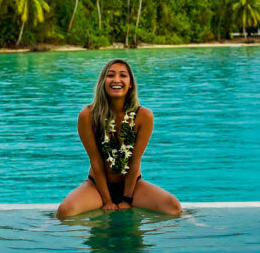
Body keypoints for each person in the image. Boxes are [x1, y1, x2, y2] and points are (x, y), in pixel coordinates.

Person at [56, 59, 182, 219]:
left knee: (173, 208)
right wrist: (107, 200)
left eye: (123, 75)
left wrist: (127, 199)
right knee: (65, 212)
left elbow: (135, 161)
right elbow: (95, 161)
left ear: (130, 84)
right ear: (103, 82)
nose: (116, 80)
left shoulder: (143, 116)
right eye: (110, 75)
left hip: (133, 186)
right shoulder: (88, 115)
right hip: (97, 186)